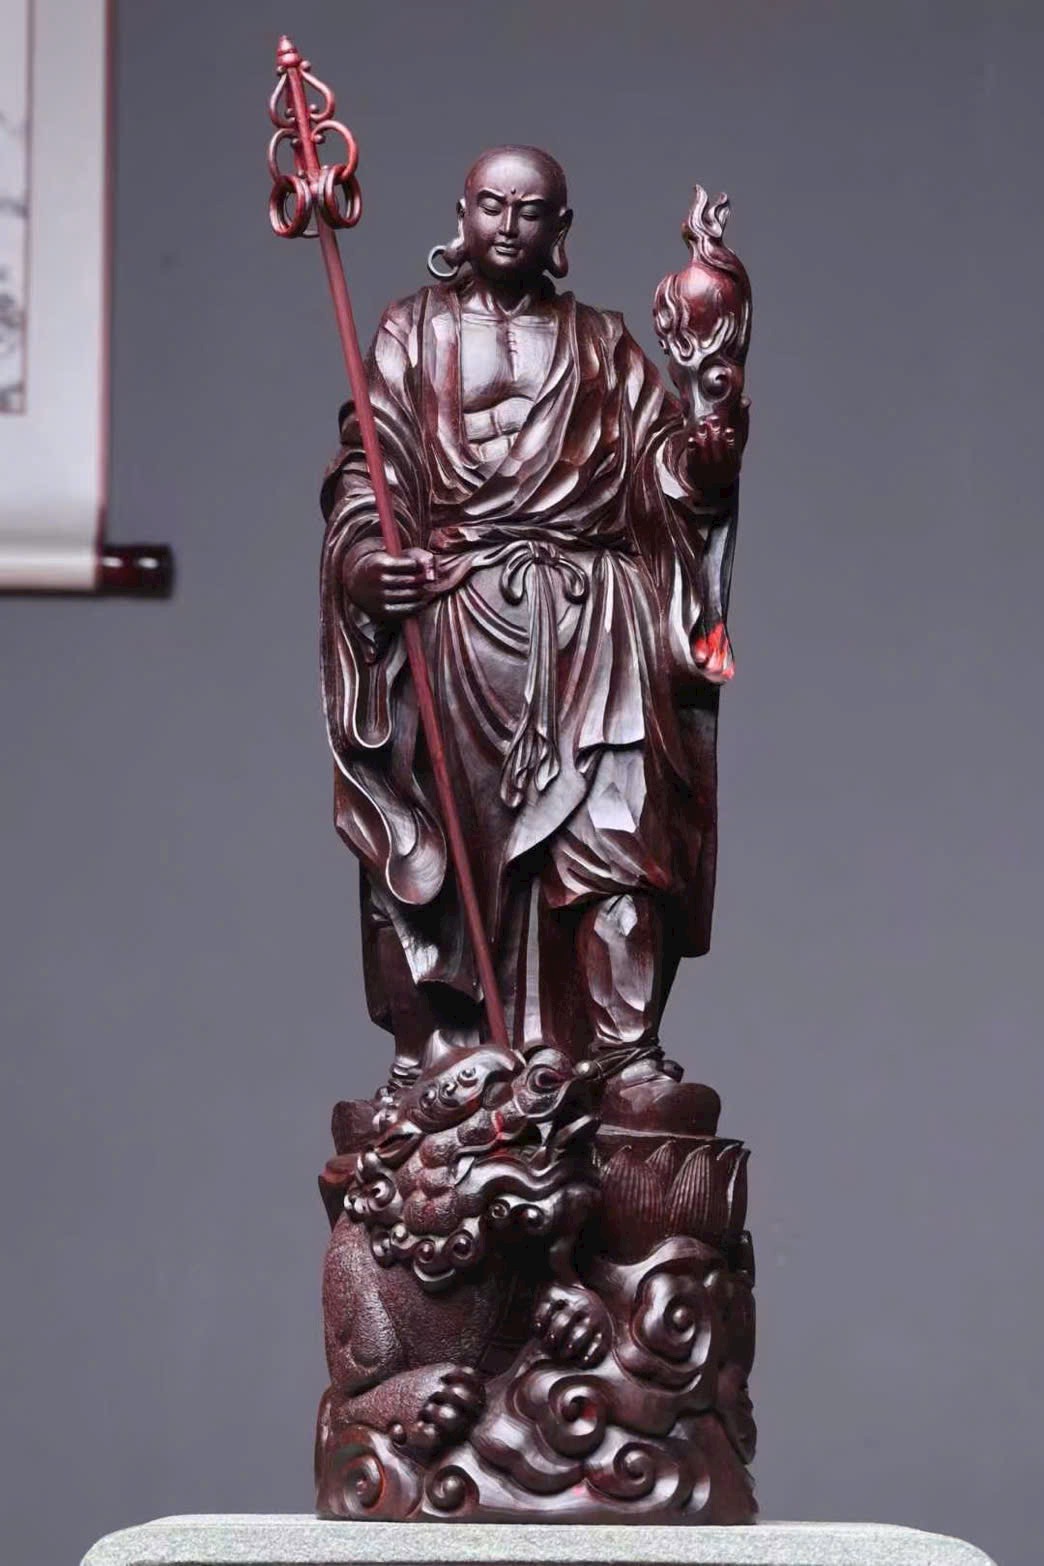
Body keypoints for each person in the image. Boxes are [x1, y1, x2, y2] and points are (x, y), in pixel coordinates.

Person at [319, 146, 742, 1114]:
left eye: (531, 210)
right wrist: (368, 562)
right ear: (461, 213)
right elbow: (368, 472)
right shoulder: (412, 333)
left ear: (561, 230)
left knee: (619, 836)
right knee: (440, 849)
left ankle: (622, 1053)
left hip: (596, 621)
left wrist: (707, 455)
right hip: (458, 622)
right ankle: (442, 1047)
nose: (509, 225)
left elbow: (662, 477)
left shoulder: (603, 344)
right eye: (491, 205)